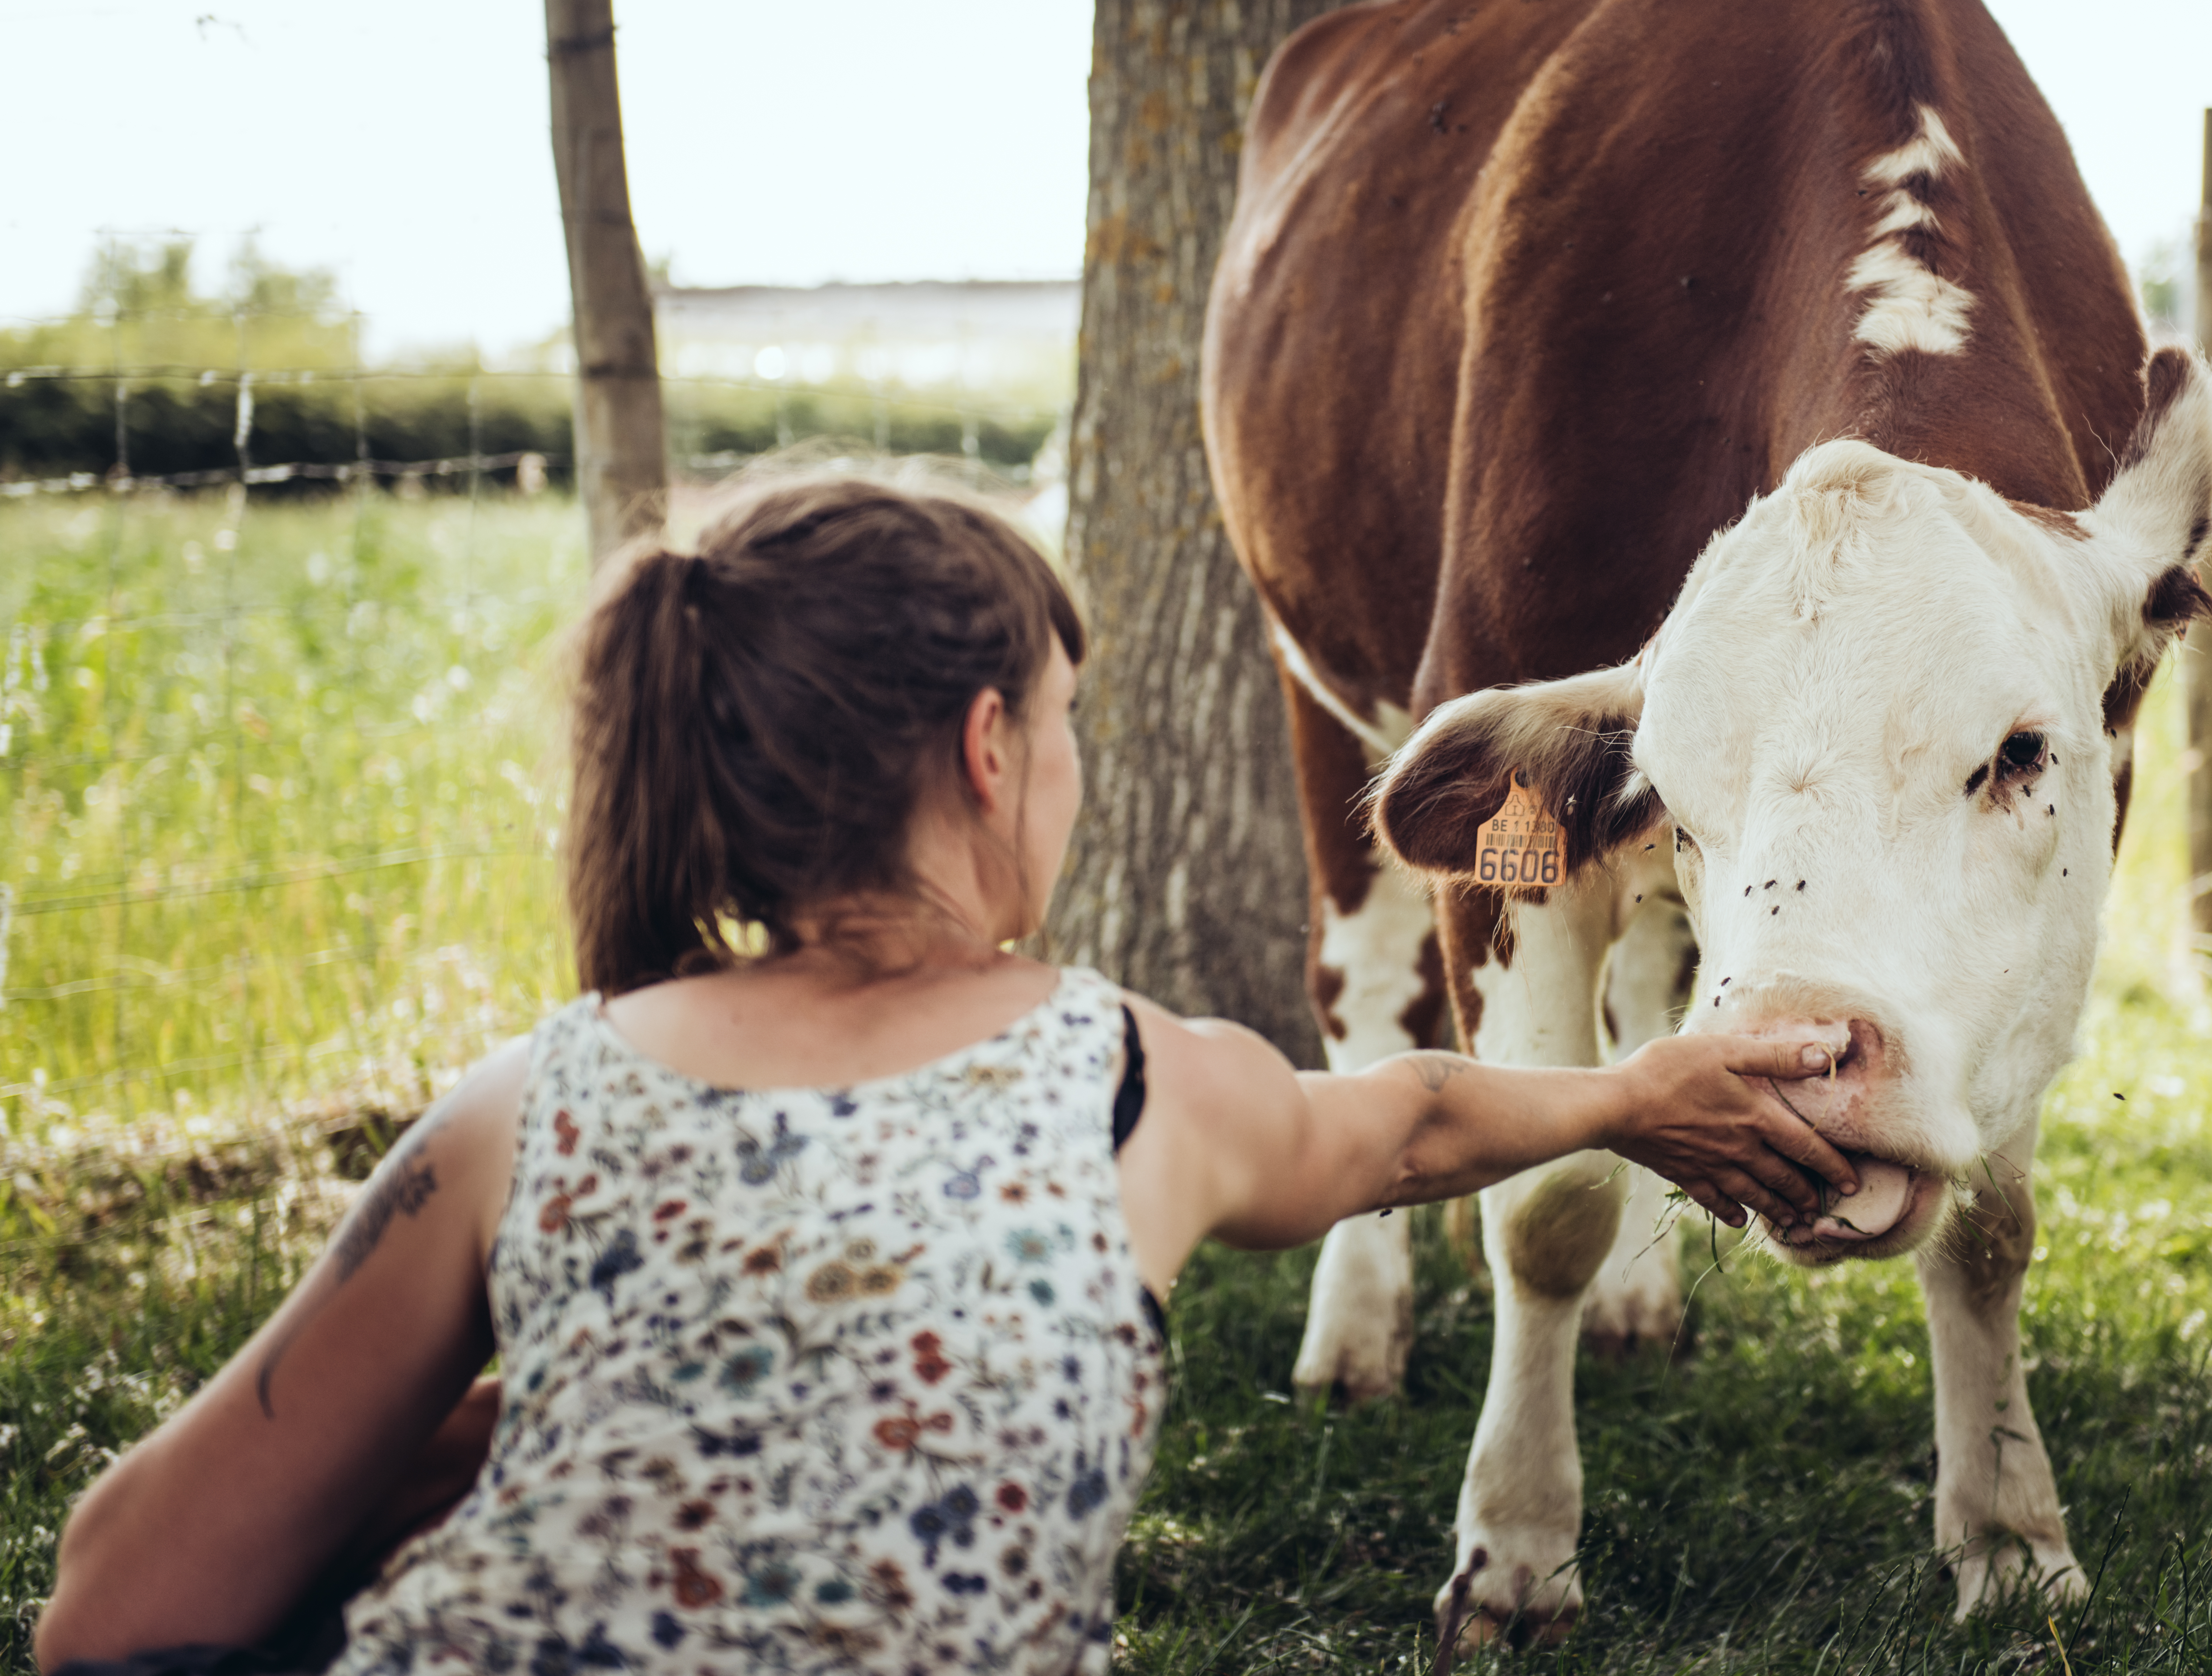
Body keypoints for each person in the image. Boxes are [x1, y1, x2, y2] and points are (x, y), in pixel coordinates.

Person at [36, 476, 1859, 1676]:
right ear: (991, 750)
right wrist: (1642, 1088)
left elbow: (115, 1600)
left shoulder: (525, 1105)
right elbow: (1403, 1117)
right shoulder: (1122, 1081)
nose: (1071, 768)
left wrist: (512, 1441)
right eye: (1065, 725)